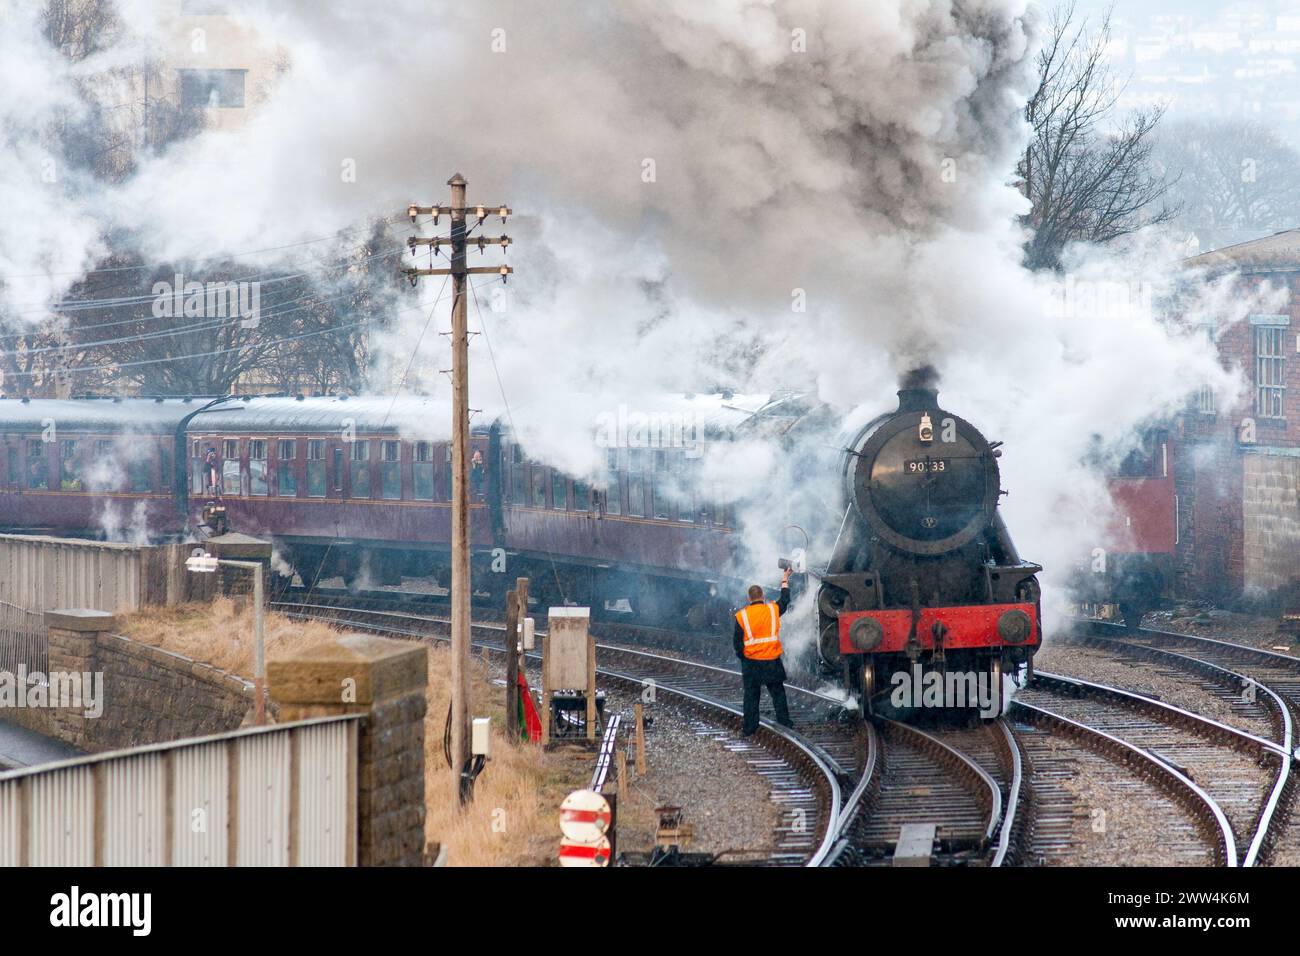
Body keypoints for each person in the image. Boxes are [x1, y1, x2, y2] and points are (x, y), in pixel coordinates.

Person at [734, 567, 793, 736]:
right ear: (762, 596)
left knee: (751, 697)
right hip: (772, 660)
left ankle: (749, 728)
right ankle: (784, 722)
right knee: (778, 693)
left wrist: (744, 659)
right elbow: (785, 599)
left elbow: (737, 643)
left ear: (749, 598)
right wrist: (785, 578)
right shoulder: (772, 610)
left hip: (752, 663)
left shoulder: (741, 616)